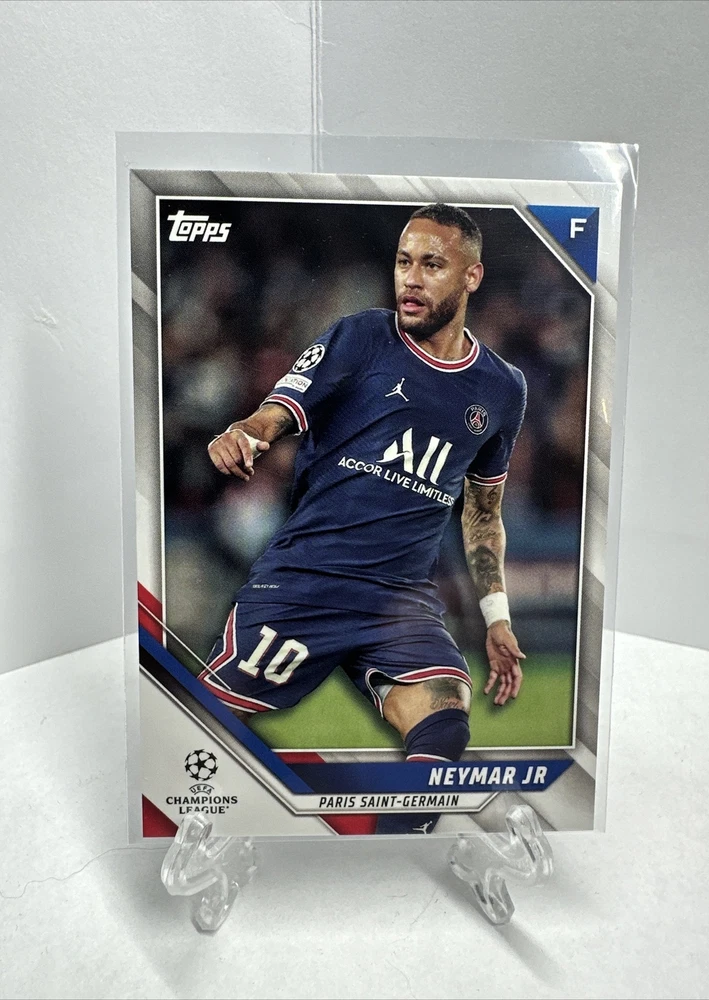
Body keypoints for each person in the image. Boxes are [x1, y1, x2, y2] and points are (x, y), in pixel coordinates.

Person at [203, 203, 527, 835]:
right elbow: (280, 408)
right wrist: (248, 431)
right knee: (204, 728)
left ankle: (393, 857)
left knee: (445, 715)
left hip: (399, 598)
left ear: (472, 277)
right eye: (403, 262)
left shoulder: (502, 388)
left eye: (432, 265)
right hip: (308, 580)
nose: (411, 278)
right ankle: (187, 823)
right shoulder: (362, 337)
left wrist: (497, 618)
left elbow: (483, 512)